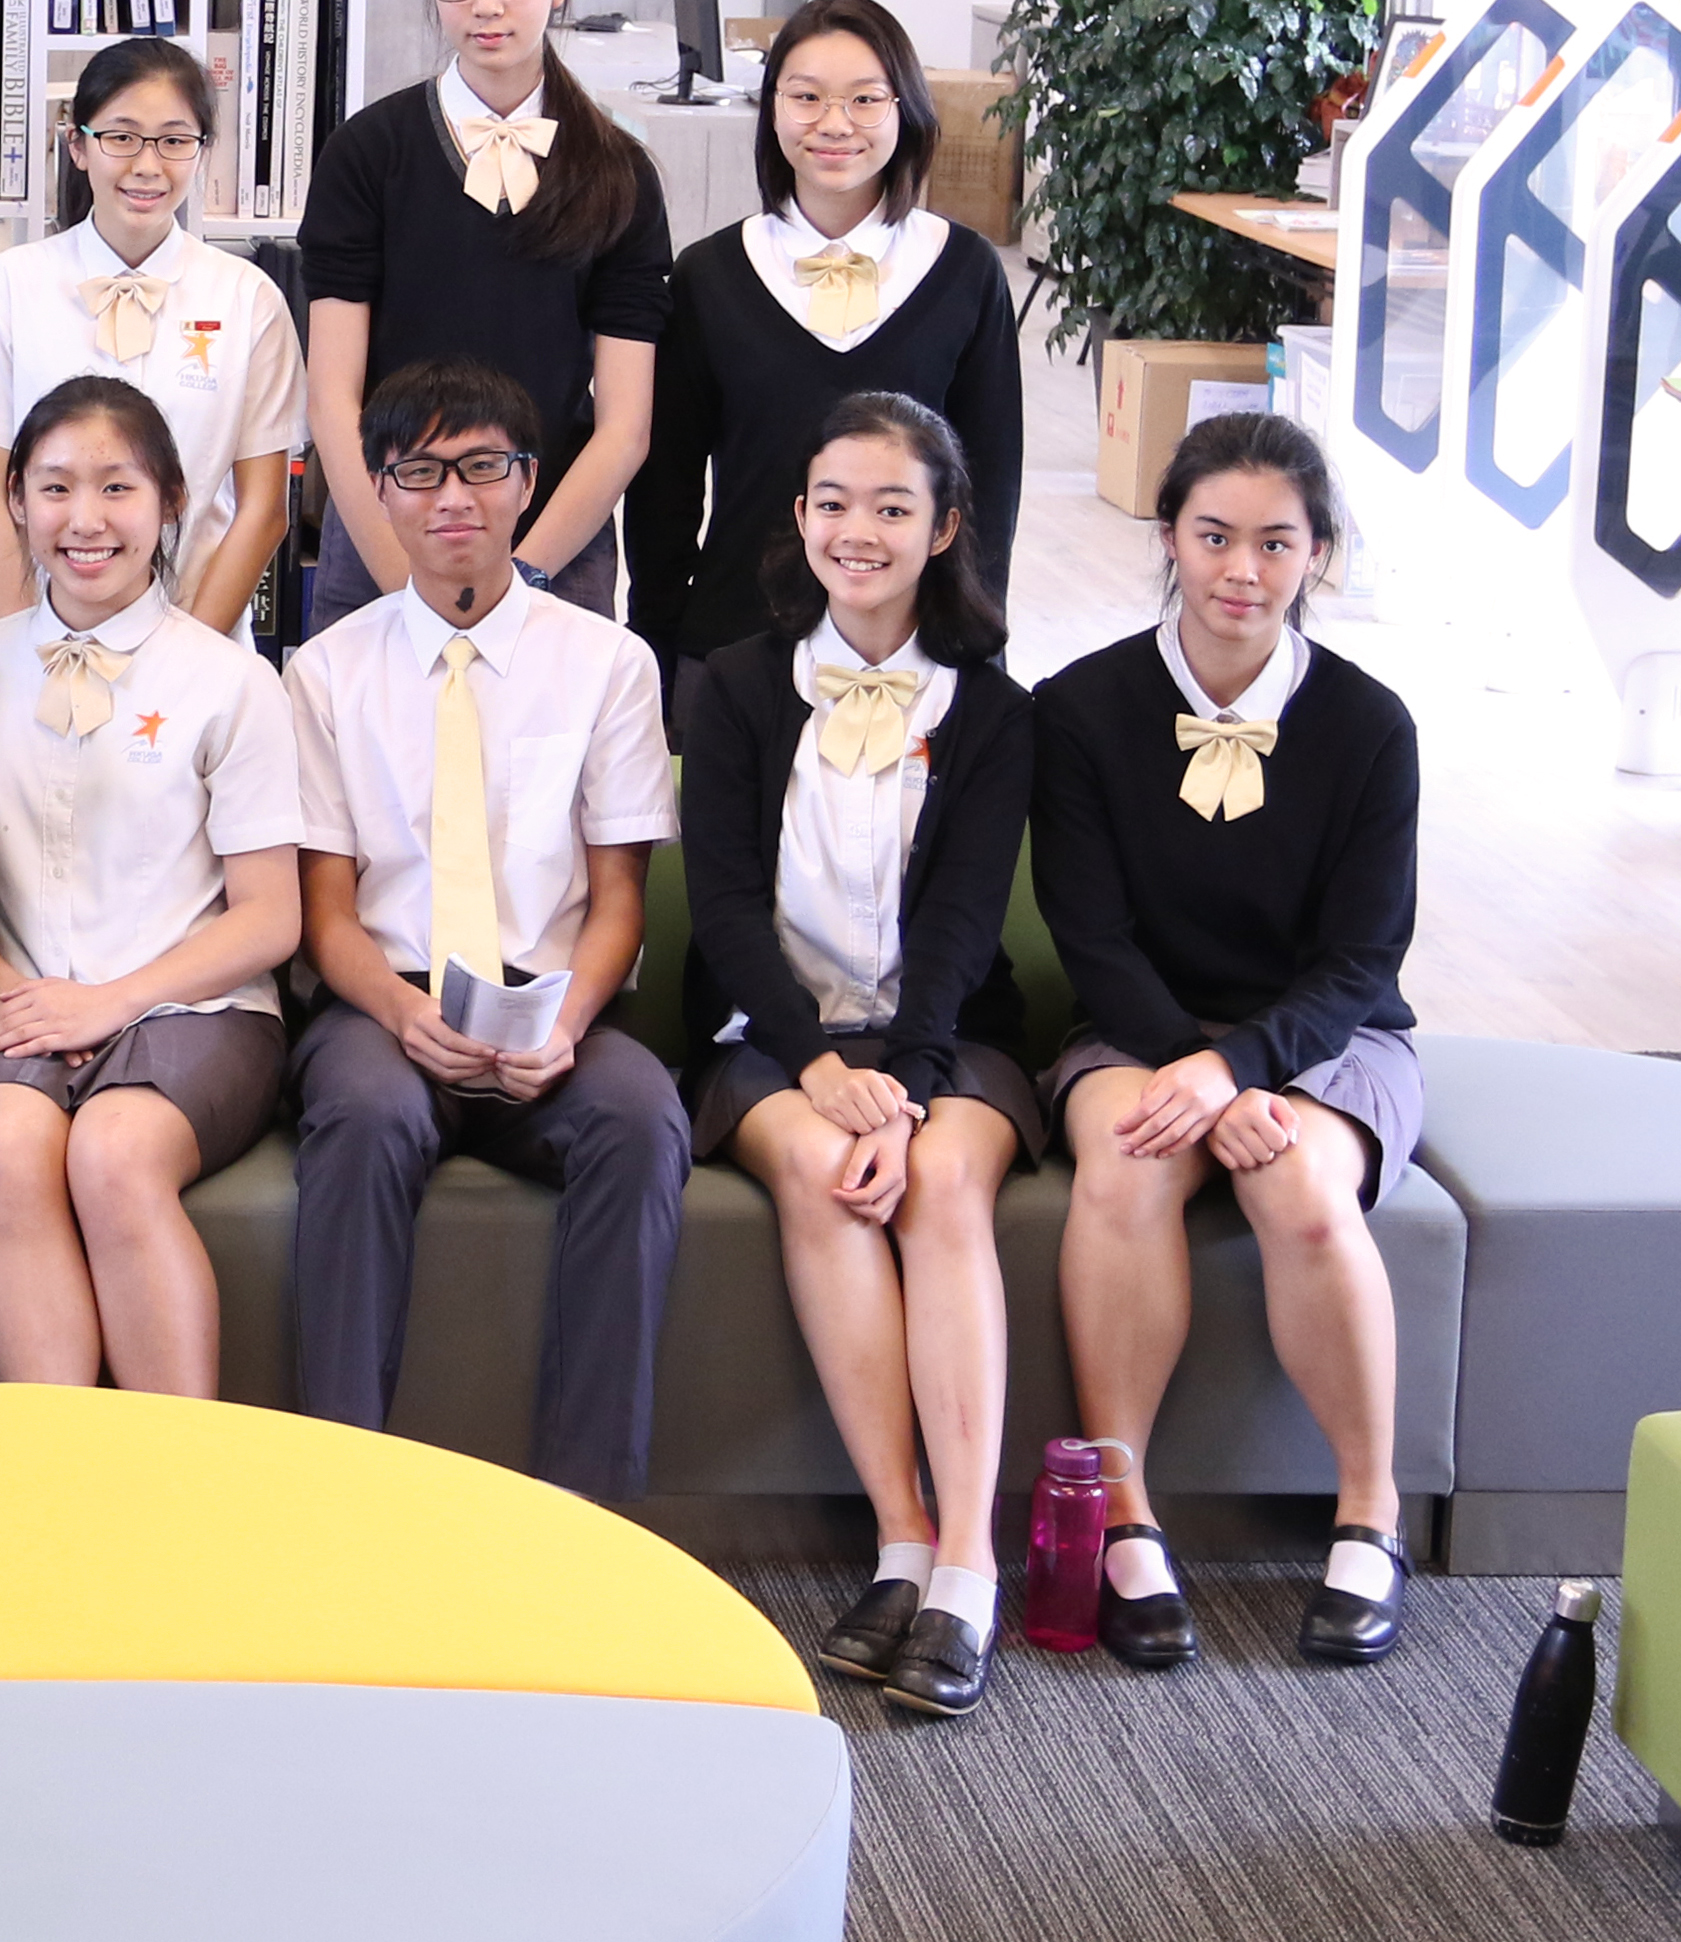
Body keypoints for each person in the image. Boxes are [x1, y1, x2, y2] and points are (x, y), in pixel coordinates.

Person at [1034, 411, 1424, 1672]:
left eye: (1273, 541)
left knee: (1301, 1181)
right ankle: (1125, 1514)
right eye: (1211, 536)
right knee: (1125, 1163)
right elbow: (1087, 936)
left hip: (1324, 1037)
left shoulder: (1369, 726)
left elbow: (1363, 960)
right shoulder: (1081, 709)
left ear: (1316, 554)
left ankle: (1368, 1512)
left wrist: (1238, 1070)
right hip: (1134, 1027)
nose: (1238, 570)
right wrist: (1185, 1066)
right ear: (1166, 539)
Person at [679, 391, 1037, 1717]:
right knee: (824, 1169)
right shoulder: (728, 684)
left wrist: (914, 1082)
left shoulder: (993, 710)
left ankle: (965, 1572)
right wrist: (816, 1065)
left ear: (944, 526)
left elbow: (960, 923)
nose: (857, 528)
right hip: (769, 1036)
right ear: (798, 516)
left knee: (937, 1181)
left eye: (892, 505)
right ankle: (899, 1534)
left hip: (944, 1038)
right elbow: (719, 906)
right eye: (833, 500)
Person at [284, 358, 686, 1497]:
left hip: (549, 996)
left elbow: (617, 901)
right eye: (418, 471)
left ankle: (588, 1512)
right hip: (384, 991)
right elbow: (325, 914)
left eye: (481, 467)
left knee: (637, 1116)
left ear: (527, 482)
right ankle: (341, 1487)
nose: (450, 496)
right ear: (376, 490)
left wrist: (563, 1020)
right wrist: (405, 1016)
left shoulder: (607, 662)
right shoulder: (322, 673)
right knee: (360, 1114)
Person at [0, 376, 301, 1395]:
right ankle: (56, 1473)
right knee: (3, 1142)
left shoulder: (231, 681)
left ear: (169, 501)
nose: (83, 519)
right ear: (13, 502)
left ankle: (170, 1480)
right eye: (52, 487)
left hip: (196, 1006)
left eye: (116, 487)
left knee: (114, 1152)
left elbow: (271, 917)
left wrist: (109, 1001)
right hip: (11, 999)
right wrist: (8, 992)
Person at [623, 0, 1021, 742]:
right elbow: (664, 495)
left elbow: (990, 487)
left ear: (904, 110)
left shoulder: (962, 270)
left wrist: (971, 641)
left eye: (864, 99)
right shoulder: (710, 276)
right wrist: (660, 645)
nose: (833, 124)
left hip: (913, 653)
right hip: (734, 645)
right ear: (771, 110)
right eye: (805, 97)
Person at [300, 0, 671, 629]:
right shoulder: (366, 153)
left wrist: (522, 581)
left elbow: (624, 425)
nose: (487, 3)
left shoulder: (617, 171)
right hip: (383, 534)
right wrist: (407, 584)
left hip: (553, 543)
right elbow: (333, 398)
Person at [0, 38, 303, 632]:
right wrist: (28, 648)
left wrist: (185, 656)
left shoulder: (248, 298)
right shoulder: (8, 287)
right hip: (31, 637)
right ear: (79, 146)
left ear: (202, 151)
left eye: (174, 140)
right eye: (122, 137)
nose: (147, 165)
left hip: (196, 638)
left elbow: (263, 509)